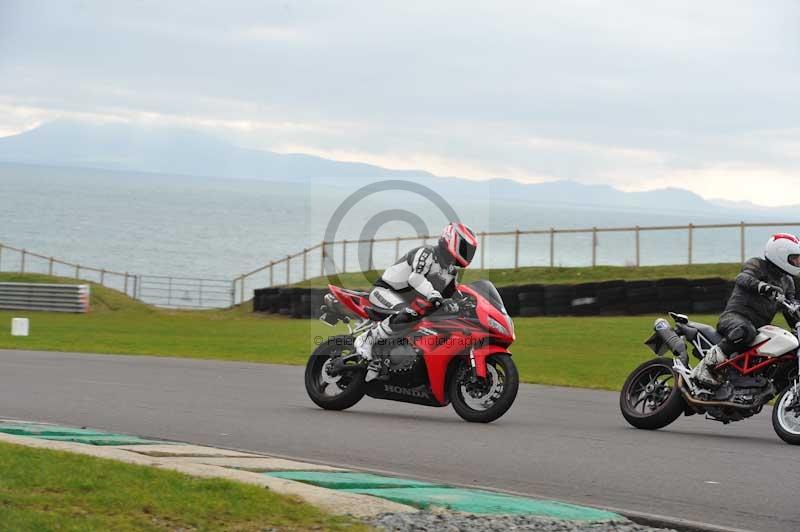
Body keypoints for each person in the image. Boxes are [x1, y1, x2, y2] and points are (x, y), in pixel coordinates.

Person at [355, 222, 478, 382]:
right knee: (407, 313)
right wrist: (433, 294)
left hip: (411, 303)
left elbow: (453, 294)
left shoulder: (451, 272)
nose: (468, 253)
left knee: (427, 321)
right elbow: (416, 278)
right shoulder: (427, 253)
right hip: (385, 291)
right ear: (452, 239)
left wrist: (469, 303)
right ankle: (366, 339)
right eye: (465, 248)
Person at [690, 233, 800, 388]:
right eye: (794, 258)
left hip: (760, 327)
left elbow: (791, 307)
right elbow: (743, 278)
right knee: (746, 331)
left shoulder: (788, 281)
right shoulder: (756, 264)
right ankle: (705, 367)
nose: (798, 262)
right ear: (780, 254)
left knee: (787, 343)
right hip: (735, 318)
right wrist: (763, 287)